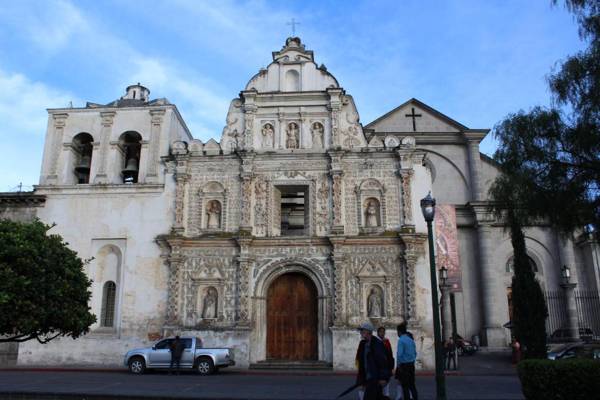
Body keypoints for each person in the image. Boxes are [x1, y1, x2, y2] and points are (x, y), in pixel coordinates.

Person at [355, 322, 392, 400]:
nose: (360, 333)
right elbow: (362, 361)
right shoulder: (363, 344)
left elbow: (383, 361)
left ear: (368, 332)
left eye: (362, 331)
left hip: (375, 378)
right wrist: (361, 378)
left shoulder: (377, 344)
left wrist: (383, 377)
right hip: (368, 378)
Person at [396, 323, 418, 400]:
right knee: (412, 385)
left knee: (405, 386)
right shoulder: (411, 340)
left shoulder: (401, 340)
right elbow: (415, 353)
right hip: (411, 365)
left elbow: (399, 354)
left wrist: (398, 365)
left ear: (399, 332)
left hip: (404, 366)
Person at [377, 327, 395, 399]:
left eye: (383, 332)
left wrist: (391, 366)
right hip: (379, 366)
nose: (382, 333)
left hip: (387, 365)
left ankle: (386, 395)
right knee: (379, 382)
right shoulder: (375, 341)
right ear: (378, 333)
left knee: (387, 380)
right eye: (381, 332)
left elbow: (390, 354)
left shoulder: (387, 341)